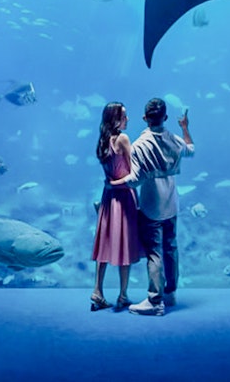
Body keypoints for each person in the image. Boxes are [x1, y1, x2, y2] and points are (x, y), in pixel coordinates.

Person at [111, 97, 193, 316]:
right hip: (171, 204)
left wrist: (114, 184)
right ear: (165, 118)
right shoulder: (175, 140)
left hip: (151, 207)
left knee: (154, 253)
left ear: (144, 118)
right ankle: (171, 292)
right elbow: (191, 150)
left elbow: (135, 179)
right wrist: (184, 128)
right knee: (171, 248)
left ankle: (155, 300)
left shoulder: (139, 145)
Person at [89, 102, 142, 312]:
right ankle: (123, 294)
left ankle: (97, 291)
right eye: (124, 116)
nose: (128, 120)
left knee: (104, 244)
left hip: (108, 198)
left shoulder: (102, 141)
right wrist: (116, 184)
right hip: (123, 197)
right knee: (125, 246)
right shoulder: (123, 139)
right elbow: (133, 173)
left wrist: (110, 185)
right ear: (115, 119)